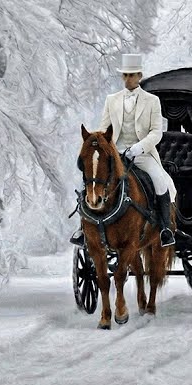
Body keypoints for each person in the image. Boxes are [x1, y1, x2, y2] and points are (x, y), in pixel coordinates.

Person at [71, 53, 177, 248]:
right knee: (93, 179)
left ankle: (164, 229)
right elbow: (104, 129)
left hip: (143, 154)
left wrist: (138, 147)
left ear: (139, 76)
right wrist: (100, 144)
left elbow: (157, 132)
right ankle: (83, 229)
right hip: (116, 154)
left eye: (132, 75)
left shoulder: (152, 101)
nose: (128, 79)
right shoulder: (111, 100)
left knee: (161, 182)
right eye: (125, 75)